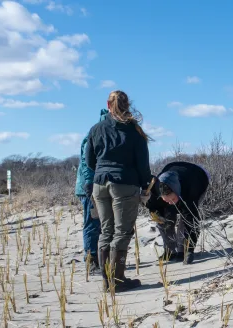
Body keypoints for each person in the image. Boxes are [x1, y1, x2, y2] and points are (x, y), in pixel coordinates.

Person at [86, 90, 153, 290]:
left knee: (106, 231)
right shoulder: (134, 131)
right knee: (122, 232)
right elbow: (143, 164)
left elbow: (89, 161)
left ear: (108, 105)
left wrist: (101, 171)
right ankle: (117, 280)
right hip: (124, 183)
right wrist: (145, 187)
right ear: (127, 105)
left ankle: (107, 281)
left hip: (100, 183)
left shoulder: (96, 128)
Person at [143, 161, 210, 264]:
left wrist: (189, 250)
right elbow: (152, 206)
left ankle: (182, 251)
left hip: (198, 175)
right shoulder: (156, 192)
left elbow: (192, 223)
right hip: (172, 170)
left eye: (173, 199)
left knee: (186, 218)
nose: (170, 202)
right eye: (167, 200)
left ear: (177, 192)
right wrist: (159, 216)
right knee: (165, 219)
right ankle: (170, 251)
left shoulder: (190, 193)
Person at [75, 108, 107, 274]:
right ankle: (91, 260)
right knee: (92, 223)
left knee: (102, 224)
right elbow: (86, 160)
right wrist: (89, 184)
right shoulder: (96, 131)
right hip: (89, 186)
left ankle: (102, 259)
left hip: (102, 185)